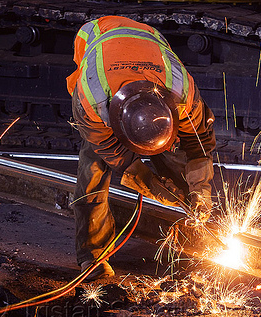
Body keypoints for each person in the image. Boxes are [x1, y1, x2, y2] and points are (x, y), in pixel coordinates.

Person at [66, 16, 216, 280]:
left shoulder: (184, 96)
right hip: (97, 38)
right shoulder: (93, 100)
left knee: (179, 162)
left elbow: (198, 146)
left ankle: (195, 229)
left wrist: (200, 190)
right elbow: (117, 156)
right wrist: (147, 182)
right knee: (93, 170)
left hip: (146, 40)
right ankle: (92, 256)